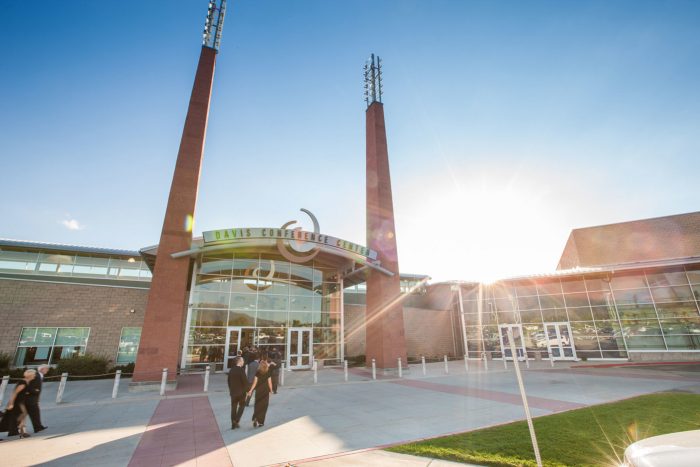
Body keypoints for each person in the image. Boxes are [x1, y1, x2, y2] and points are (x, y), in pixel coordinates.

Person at [5, 369, 36, 439]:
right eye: (34, 374)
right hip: (18, 402)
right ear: (30, 375)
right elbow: (14, 393)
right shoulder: (23, 383)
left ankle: (22, 431)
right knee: (24, 414)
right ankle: (19, 428)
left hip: (22, 401)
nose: (34, 376)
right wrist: (11, 403)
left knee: (24, 415)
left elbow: (23, 392)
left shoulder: (27, 382)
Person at [246, 360, 273, 427]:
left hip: (258, 391)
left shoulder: (258, 372)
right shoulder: (268, 372)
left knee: (257, 405)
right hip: (265, 391)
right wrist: (271, 390)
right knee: (264, 406)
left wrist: (251, 390)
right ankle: (261, 422)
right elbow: (270, 383)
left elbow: (254, 383)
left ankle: (255, 417)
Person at [26, 364, 49, 433]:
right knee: (33, 413)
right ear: (42, 369)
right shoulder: (35, 375)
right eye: (46, 369)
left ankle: (38, 426)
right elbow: (28, 386)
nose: (47, 370)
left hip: (34, 398)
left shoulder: (39, 375)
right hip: (30, 398)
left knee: (36, 412)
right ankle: (37, 427)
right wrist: (35, 391)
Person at [227, 356, 248, 430]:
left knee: (233, 408)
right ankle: (236, 420)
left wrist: (231, 390)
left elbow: (229, 382)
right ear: (239, 361)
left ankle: (233, 423)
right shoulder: (241, 370)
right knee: (242, 406)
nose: (243, 362)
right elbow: (245, 382)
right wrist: (247, 391)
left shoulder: (231, 370)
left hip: (233, 393)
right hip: (241, 393)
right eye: (242, 360)